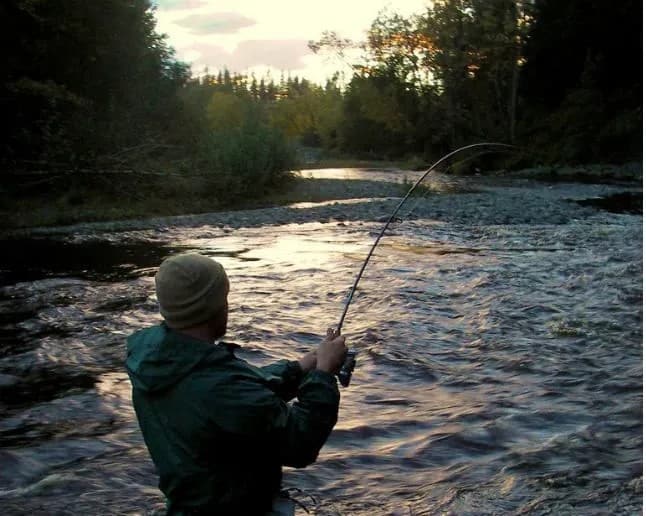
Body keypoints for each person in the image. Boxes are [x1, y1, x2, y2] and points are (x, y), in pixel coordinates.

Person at [126, 253, 348, 516]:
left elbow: (244, 390)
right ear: (211, 306)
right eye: (224, 298)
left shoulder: (162, 361)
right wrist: (324, 374)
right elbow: (299, 444)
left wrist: (302, 366)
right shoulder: (216, 384)